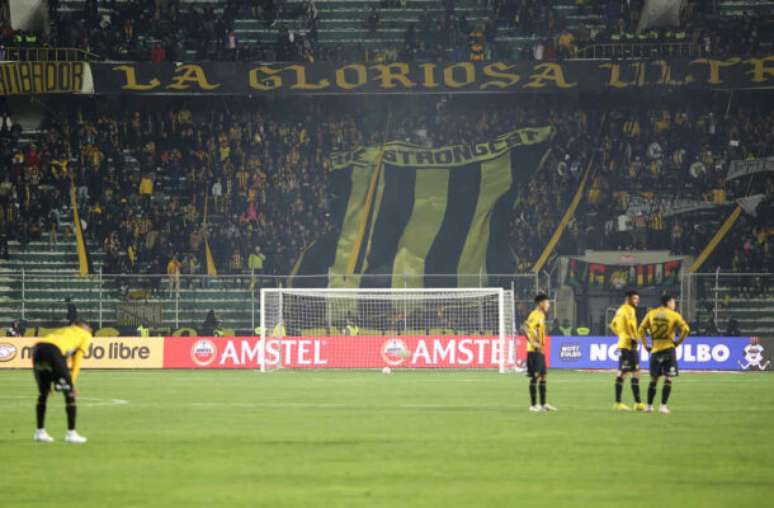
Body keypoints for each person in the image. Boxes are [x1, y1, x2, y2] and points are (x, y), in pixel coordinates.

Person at [31, 321, 93, 443]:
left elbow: (63, 357)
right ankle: (71, 434)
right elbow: (77, 361)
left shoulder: (64, 330)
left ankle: (40, 432)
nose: (90, 330)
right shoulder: (85, 335)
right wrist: (71, 384)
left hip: (38, 349)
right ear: (85, 328)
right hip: (53, 352)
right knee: (69, 395)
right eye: (90, 328)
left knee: (43, 393)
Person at [637, 294, 690, 414]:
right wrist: (677, 342)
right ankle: (663, 406)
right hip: (668, 349)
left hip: (655, 350)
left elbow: (641, 330)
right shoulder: (674, 315)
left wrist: (645, 345)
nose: (675, 304)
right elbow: (686, 329)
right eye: (673, 302)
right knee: (668, 378)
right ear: (668, 302)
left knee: (653, 380)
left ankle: (649, 406)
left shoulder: (651, 313)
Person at [610, 290, 645, 411]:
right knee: (624, 373)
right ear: (628, 299)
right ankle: (619, 402)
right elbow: (630, 325)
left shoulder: (620, 310)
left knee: (635, 371)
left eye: (637, 299)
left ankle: (638, 403)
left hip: (623, 344)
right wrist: (633, 338)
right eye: (635, 298)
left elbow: (612, 325)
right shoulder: (629, 309)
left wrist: (621, 335)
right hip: (629, 345)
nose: (637, 301)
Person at [521, 294, 557, 412]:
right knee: (535, 377)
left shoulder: (542, 315)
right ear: (540, 303)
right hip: (533, 351)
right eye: (547, 302)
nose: (549, 305)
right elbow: (524, 328)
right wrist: (532, 342)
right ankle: (533, 405)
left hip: (540, 351)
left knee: (543, 377)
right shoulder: (535, 314)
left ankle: (543, 404)